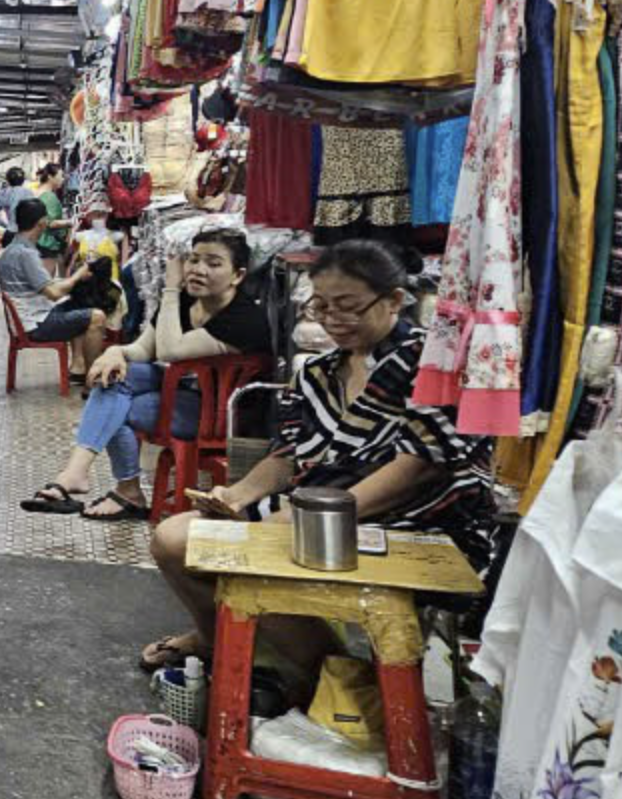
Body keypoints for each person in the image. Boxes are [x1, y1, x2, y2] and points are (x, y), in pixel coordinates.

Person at [139, 239, 496, 671]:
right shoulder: (317, 372)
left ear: (395, 301)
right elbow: (287, 452)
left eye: (349, 306)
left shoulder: (427, 367)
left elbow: (418, 469)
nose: (334, 321)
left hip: (416, 519)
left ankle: (331, 677)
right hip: (313, 509)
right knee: (172, 539)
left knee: (253, 559)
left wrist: (296, 520)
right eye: (322, 307)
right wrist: (236, 496)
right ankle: (216, 640)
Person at [24, 227, 272, 519]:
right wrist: (114, 352)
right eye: (193, 260)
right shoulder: (184, 302)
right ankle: (79, 474)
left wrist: (169, 289)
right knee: (113, 379)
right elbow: (144, 349)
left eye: (214, 263)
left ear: (238, 275)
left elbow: (169, 350)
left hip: (221, 415)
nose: (198, 270)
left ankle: (121, 489)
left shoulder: (244, 317)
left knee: (118, 407)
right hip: (186, 393)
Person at [0, 198, 112, 361]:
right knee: (97, 317)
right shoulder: (26, 254)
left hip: (28, 318)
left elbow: (44, 285)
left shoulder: (10, 251)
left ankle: (78, 366)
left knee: (79, 304)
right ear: (42, 223)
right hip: (35, 325)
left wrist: (73, 279)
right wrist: (78, 275)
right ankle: (93, 379)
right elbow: (54, 293)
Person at [0, 166, 35, 231]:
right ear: (23, 180)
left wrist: (4, 225)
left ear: (8, 180)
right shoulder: (30, 193)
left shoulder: (4, 193)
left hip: (12, 231)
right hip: (27, 232)